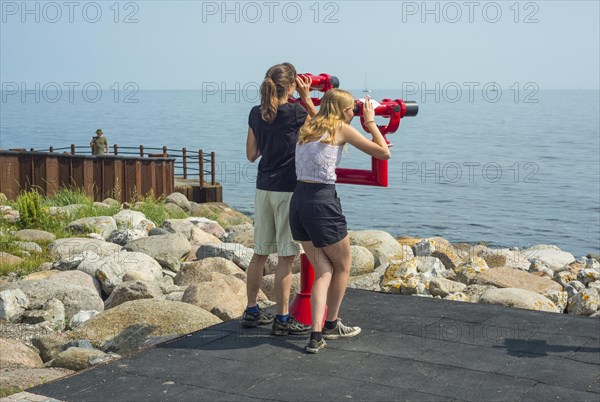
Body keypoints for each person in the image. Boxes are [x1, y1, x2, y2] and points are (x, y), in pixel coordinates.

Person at [289, 89, 390, 353]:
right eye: (353, 110)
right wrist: (370, 122)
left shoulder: (308, 126)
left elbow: (316, 113)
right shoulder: (341, 129)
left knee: (324, 270)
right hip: (323, 203)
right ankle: (331, 324)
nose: (354, 114)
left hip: (298, 201)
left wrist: (308, 99)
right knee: (343, 265)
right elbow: (383, 153)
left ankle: (317, 334)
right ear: (346, 112)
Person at [243, 63, 317, 335]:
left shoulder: (255, 113)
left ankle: (252, 311)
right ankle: (282, 319)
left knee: (259, 254)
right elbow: (324, 129)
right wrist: (308, 99)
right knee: (286, 257)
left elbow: (251, 154)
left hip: (263, 189)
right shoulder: (297, 112)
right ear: (292, 87)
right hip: (288, 191)